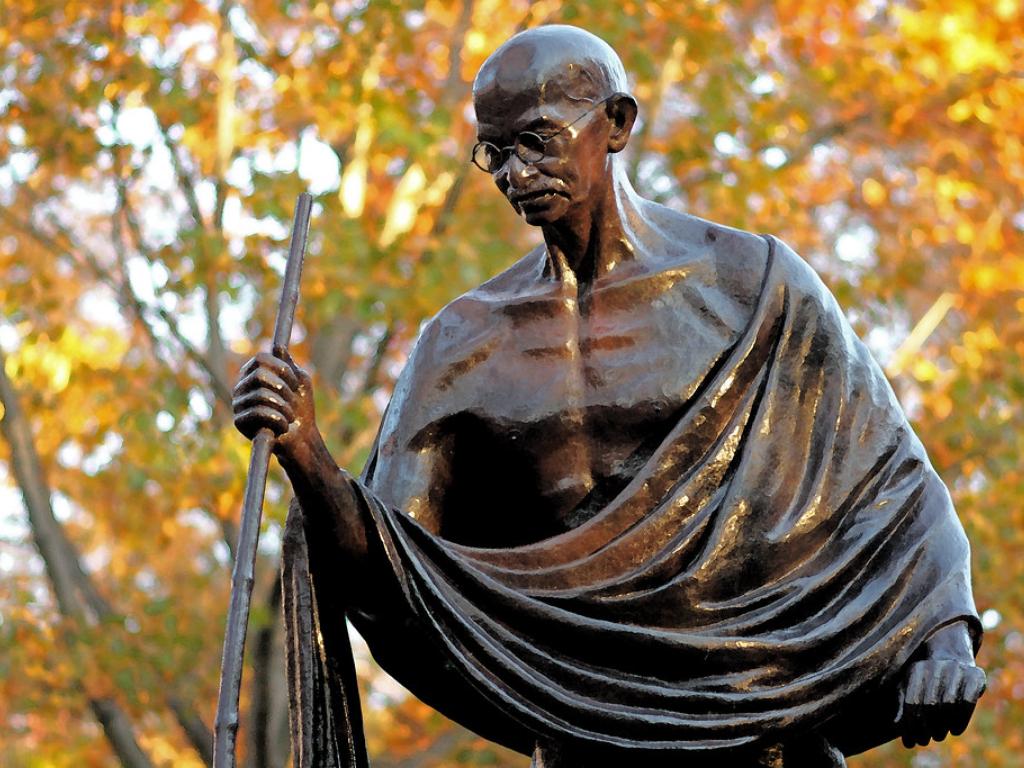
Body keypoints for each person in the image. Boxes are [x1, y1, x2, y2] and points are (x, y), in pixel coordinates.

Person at [233, 25, 985, 768]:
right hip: (577, 731)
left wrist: (942, 639)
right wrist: (306, 451)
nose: (514, 173)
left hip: (760, 720)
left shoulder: (754, 288)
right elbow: (393, 568)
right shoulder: (462, 343)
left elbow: (896, 486)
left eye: (537, 140)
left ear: (617, 123)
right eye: (494, 152)